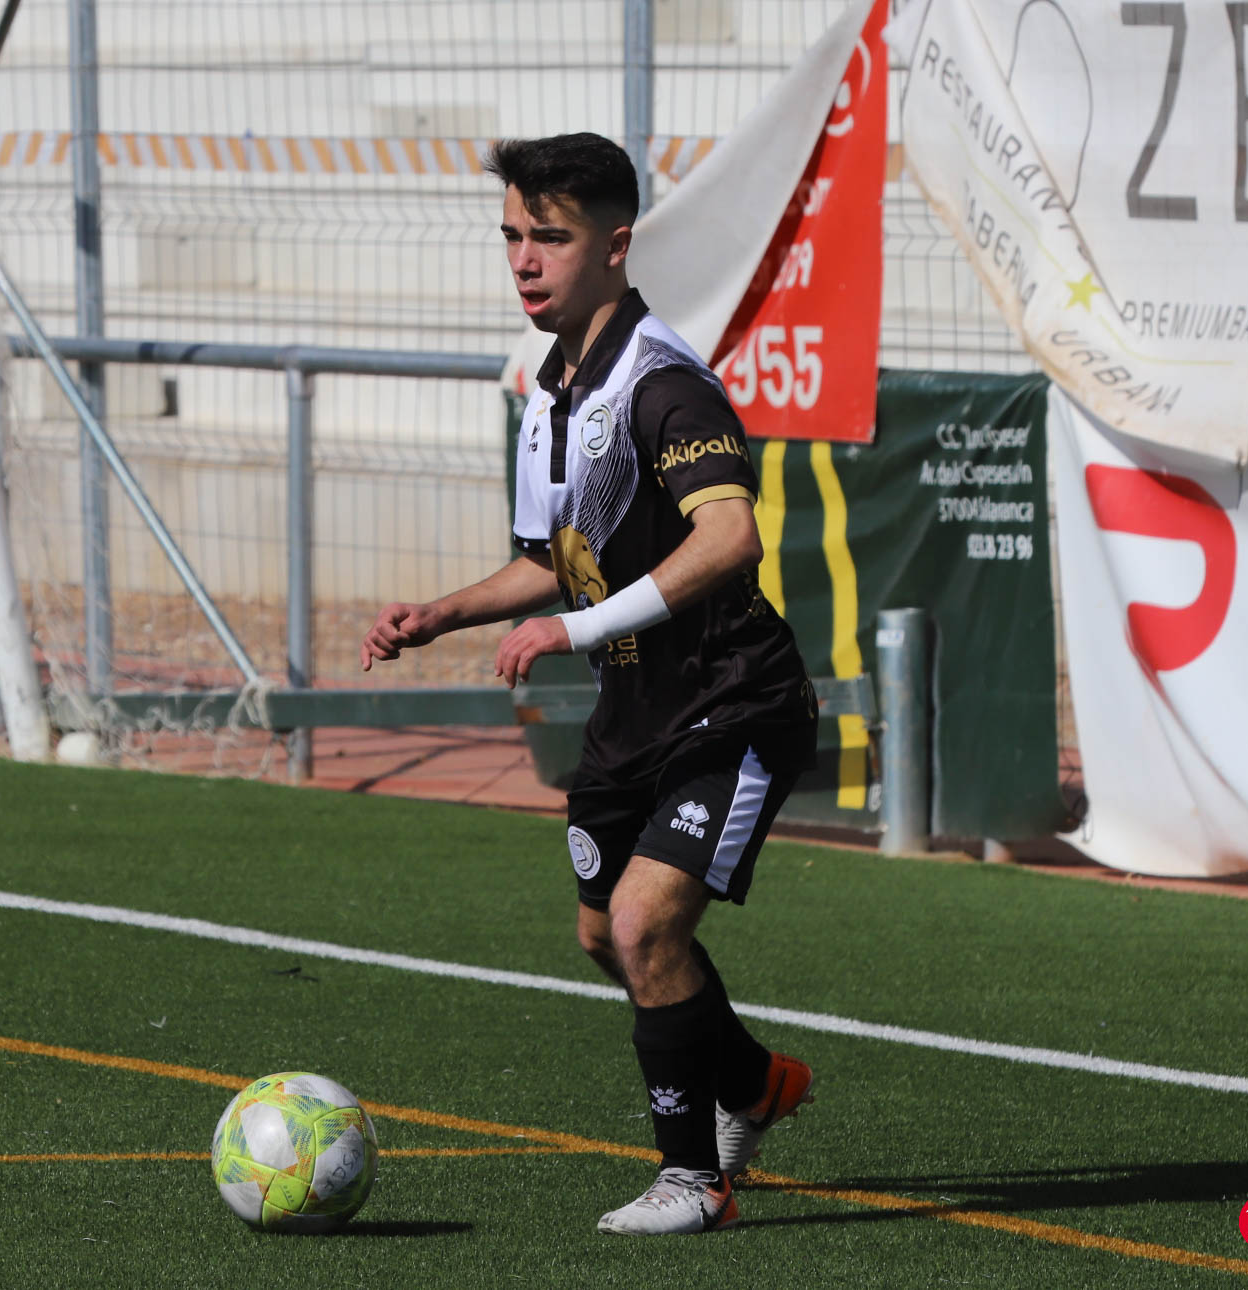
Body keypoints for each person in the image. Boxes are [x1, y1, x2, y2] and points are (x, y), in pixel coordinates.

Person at [359, 132, 821, 1236]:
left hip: (733, 700)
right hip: (634, 712)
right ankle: (756, 1085)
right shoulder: (552, 382)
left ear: (616, 246)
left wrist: (574, 626)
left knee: (645, 924)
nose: (524, 260)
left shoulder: (664, 387)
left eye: (550, 239)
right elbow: (549, 551)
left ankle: (692, 1180)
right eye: (512, 236)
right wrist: (445, 612)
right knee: (600, 938)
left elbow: (730, 540)